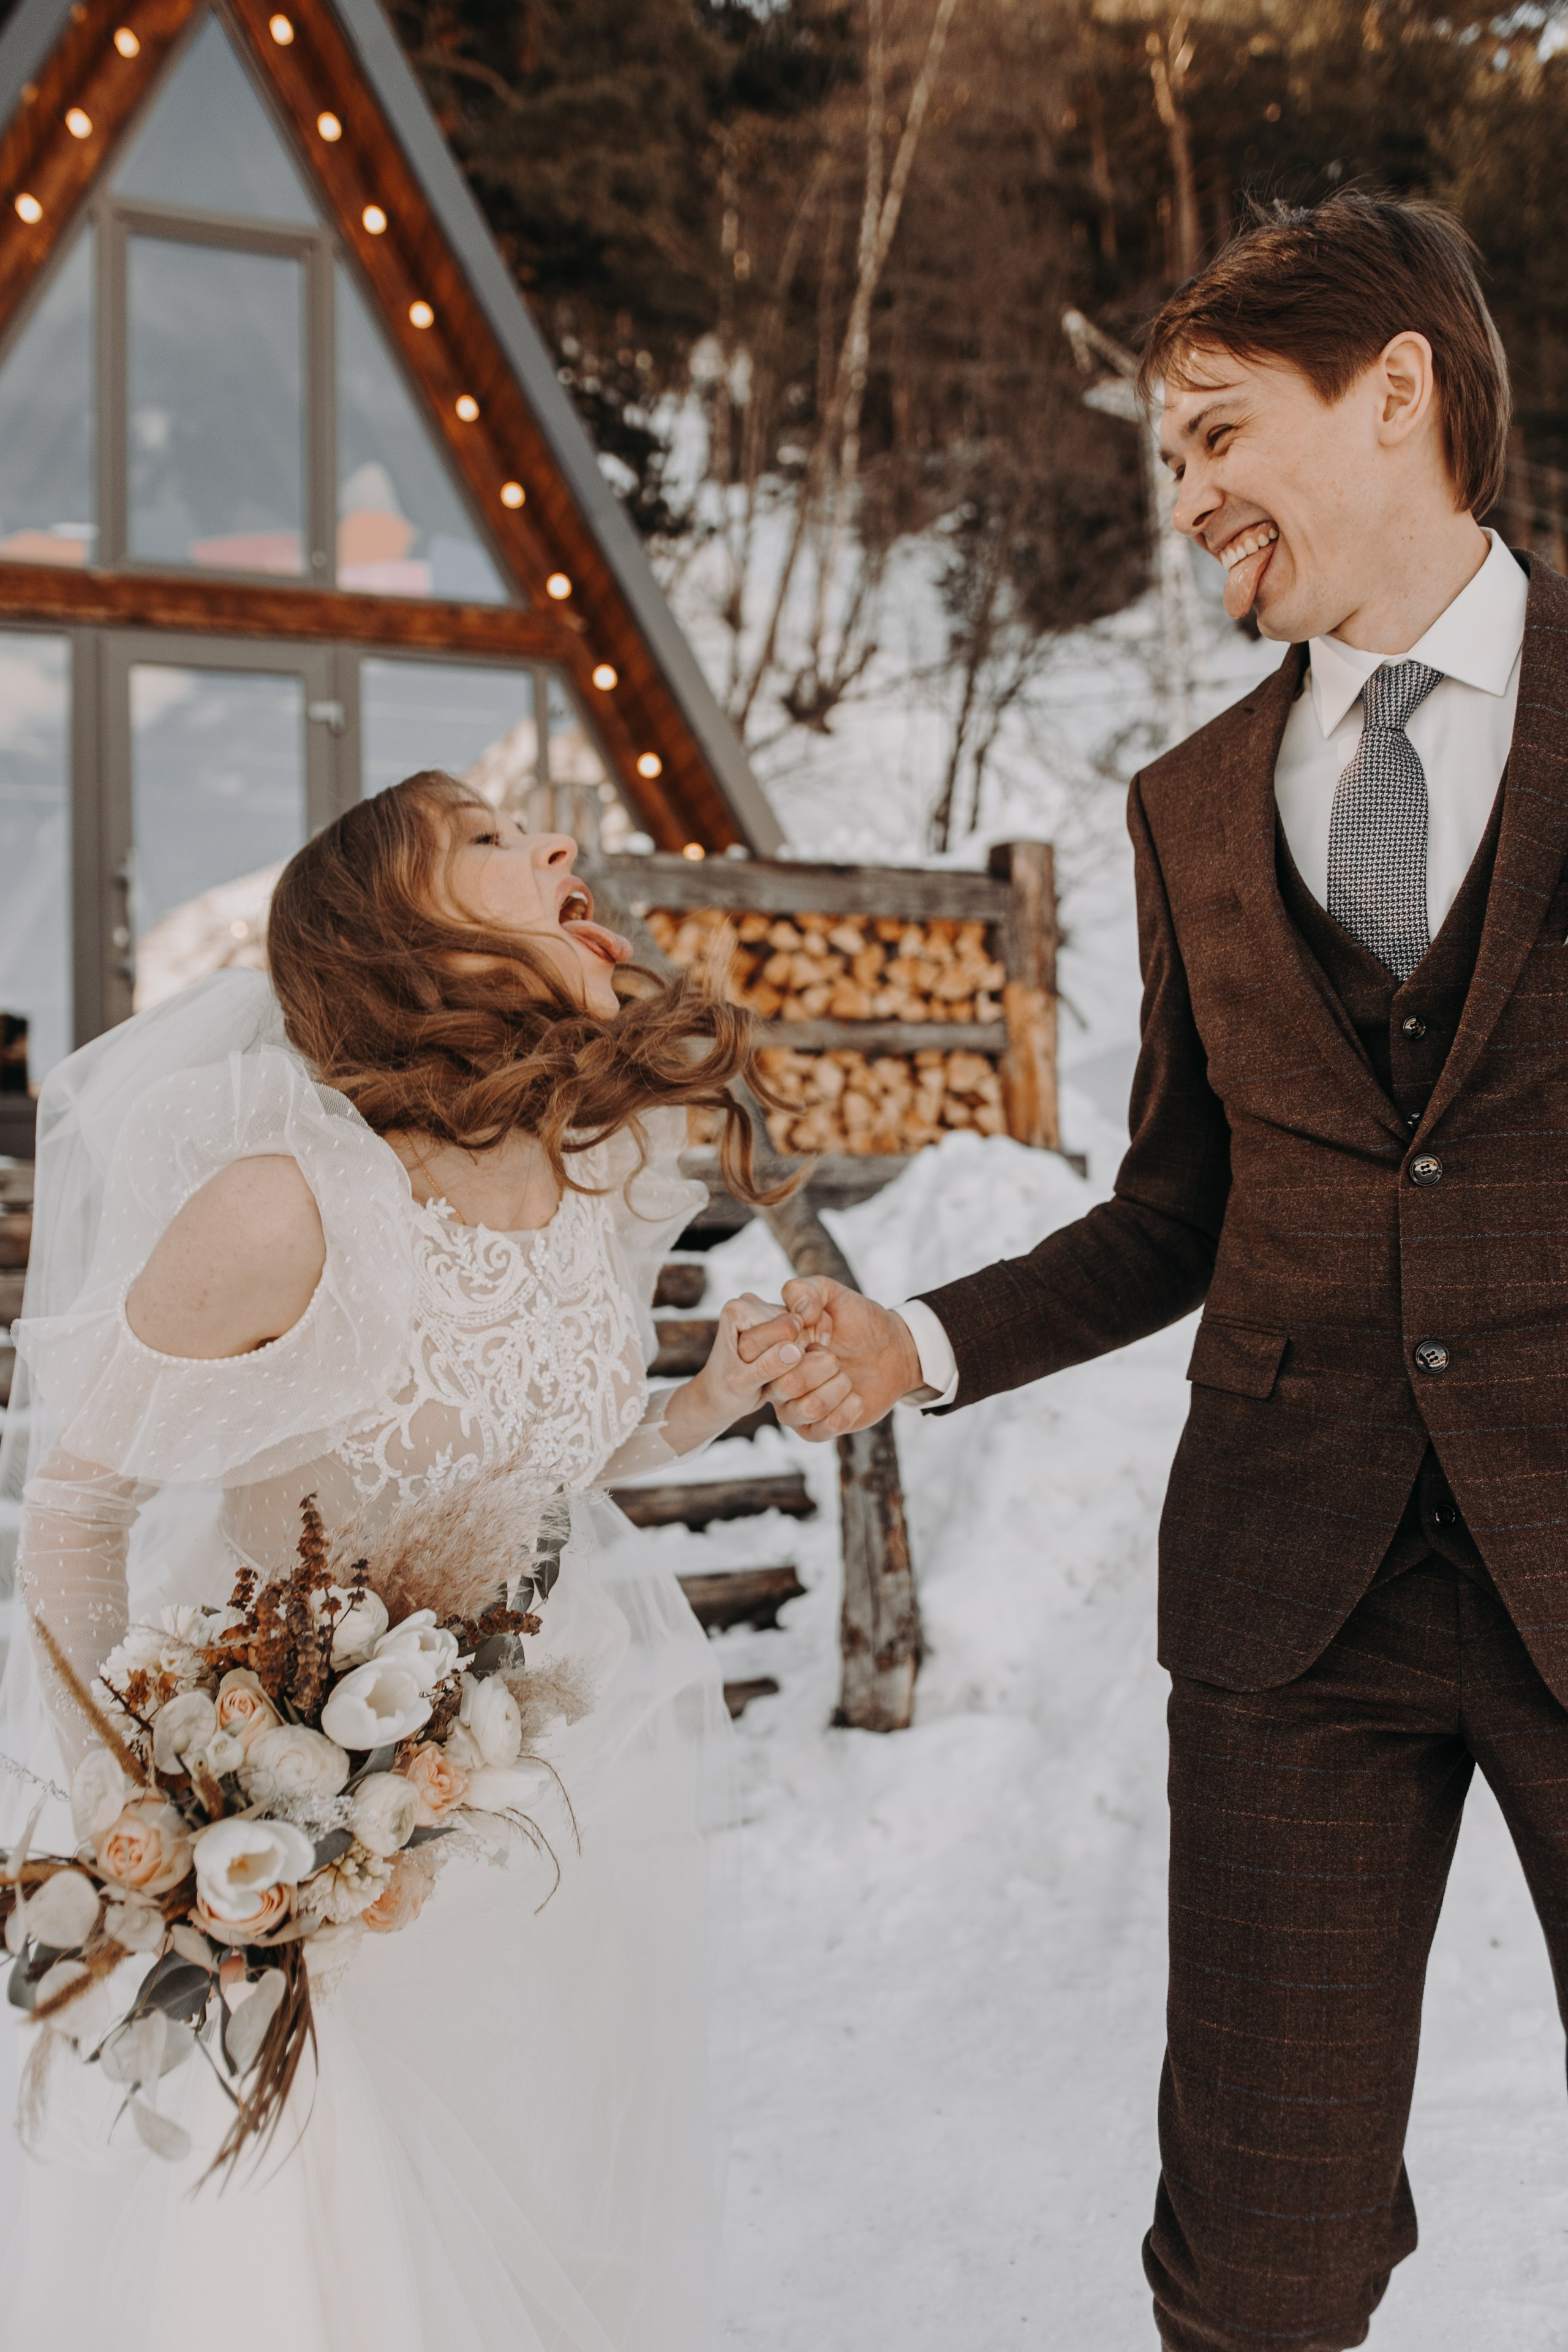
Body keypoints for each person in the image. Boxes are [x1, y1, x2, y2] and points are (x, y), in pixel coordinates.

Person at [745, 192, 1568, 2348]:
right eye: (1168, 453)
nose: (1187, 495)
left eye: (1217, 433)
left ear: (1397, 392)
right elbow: (1176, 1209)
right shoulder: (1193, 803)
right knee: (1263, 2258)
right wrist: (913, 1335)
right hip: (1299, 1603)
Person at [0, 772, 809, 2352]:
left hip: (517, 1832)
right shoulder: (278, 1210)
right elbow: (75, 1509)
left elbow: (543, 1465)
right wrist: (150, 1837)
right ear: (402, 938)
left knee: (523, 2234)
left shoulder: (609, 1170)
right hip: (286, 1851)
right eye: (500, 841)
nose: (563, 847)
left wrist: (705, 1398)